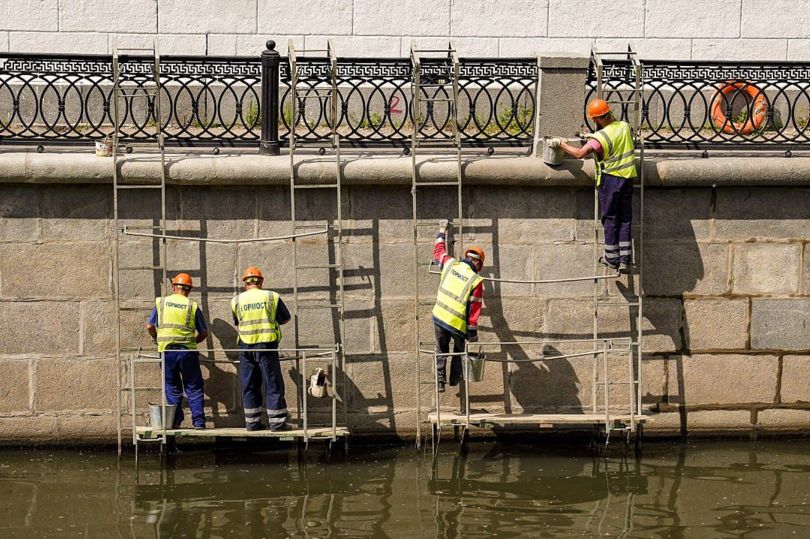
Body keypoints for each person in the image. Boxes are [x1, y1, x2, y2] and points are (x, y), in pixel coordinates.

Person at [551, 98, 637, 272]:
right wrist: (592, 137)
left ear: (598, 119)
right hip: (627, 179)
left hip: (610, 181)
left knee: (611, 219)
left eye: (594, 120)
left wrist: (561, 144)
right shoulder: (625, 126)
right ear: (609, 112)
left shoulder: (600, 138)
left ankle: (612, 258)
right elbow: (614, 137)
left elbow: (579, 154)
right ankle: (625, 259)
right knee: (625, 218)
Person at [231, 266, 292, 431]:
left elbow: (238, 321)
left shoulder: (236, 300)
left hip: (245, 346)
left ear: (245, 283)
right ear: (261, 281)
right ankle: (277, 423)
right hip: (266, 345)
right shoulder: (271, 296)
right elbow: (285, 318)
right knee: (272, 383)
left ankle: (252, 422)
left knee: (249, 384)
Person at [145, 273, 208, 429]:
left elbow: (150, 326)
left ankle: (175, 421)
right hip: (187, 353)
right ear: (189, 290)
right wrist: (193, 341)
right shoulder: (192, 306)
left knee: (172, 387)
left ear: (174, 287)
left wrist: (156, 337)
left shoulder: (161, 303)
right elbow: (204, 333)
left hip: (167, 352)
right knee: (193, 387)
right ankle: (199, 423)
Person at [431, 219, 485, 393]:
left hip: (439, 316)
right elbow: (474, 310)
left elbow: (438, 250)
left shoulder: (450, 264)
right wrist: (472, 332)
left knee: (441, 349)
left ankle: (440, 380)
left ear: (467, 258)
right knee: (459, 350)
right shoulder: (476, 280)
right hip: (457, 323)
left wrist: (442, 230)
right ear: (478, 264)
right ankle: (455, 378)